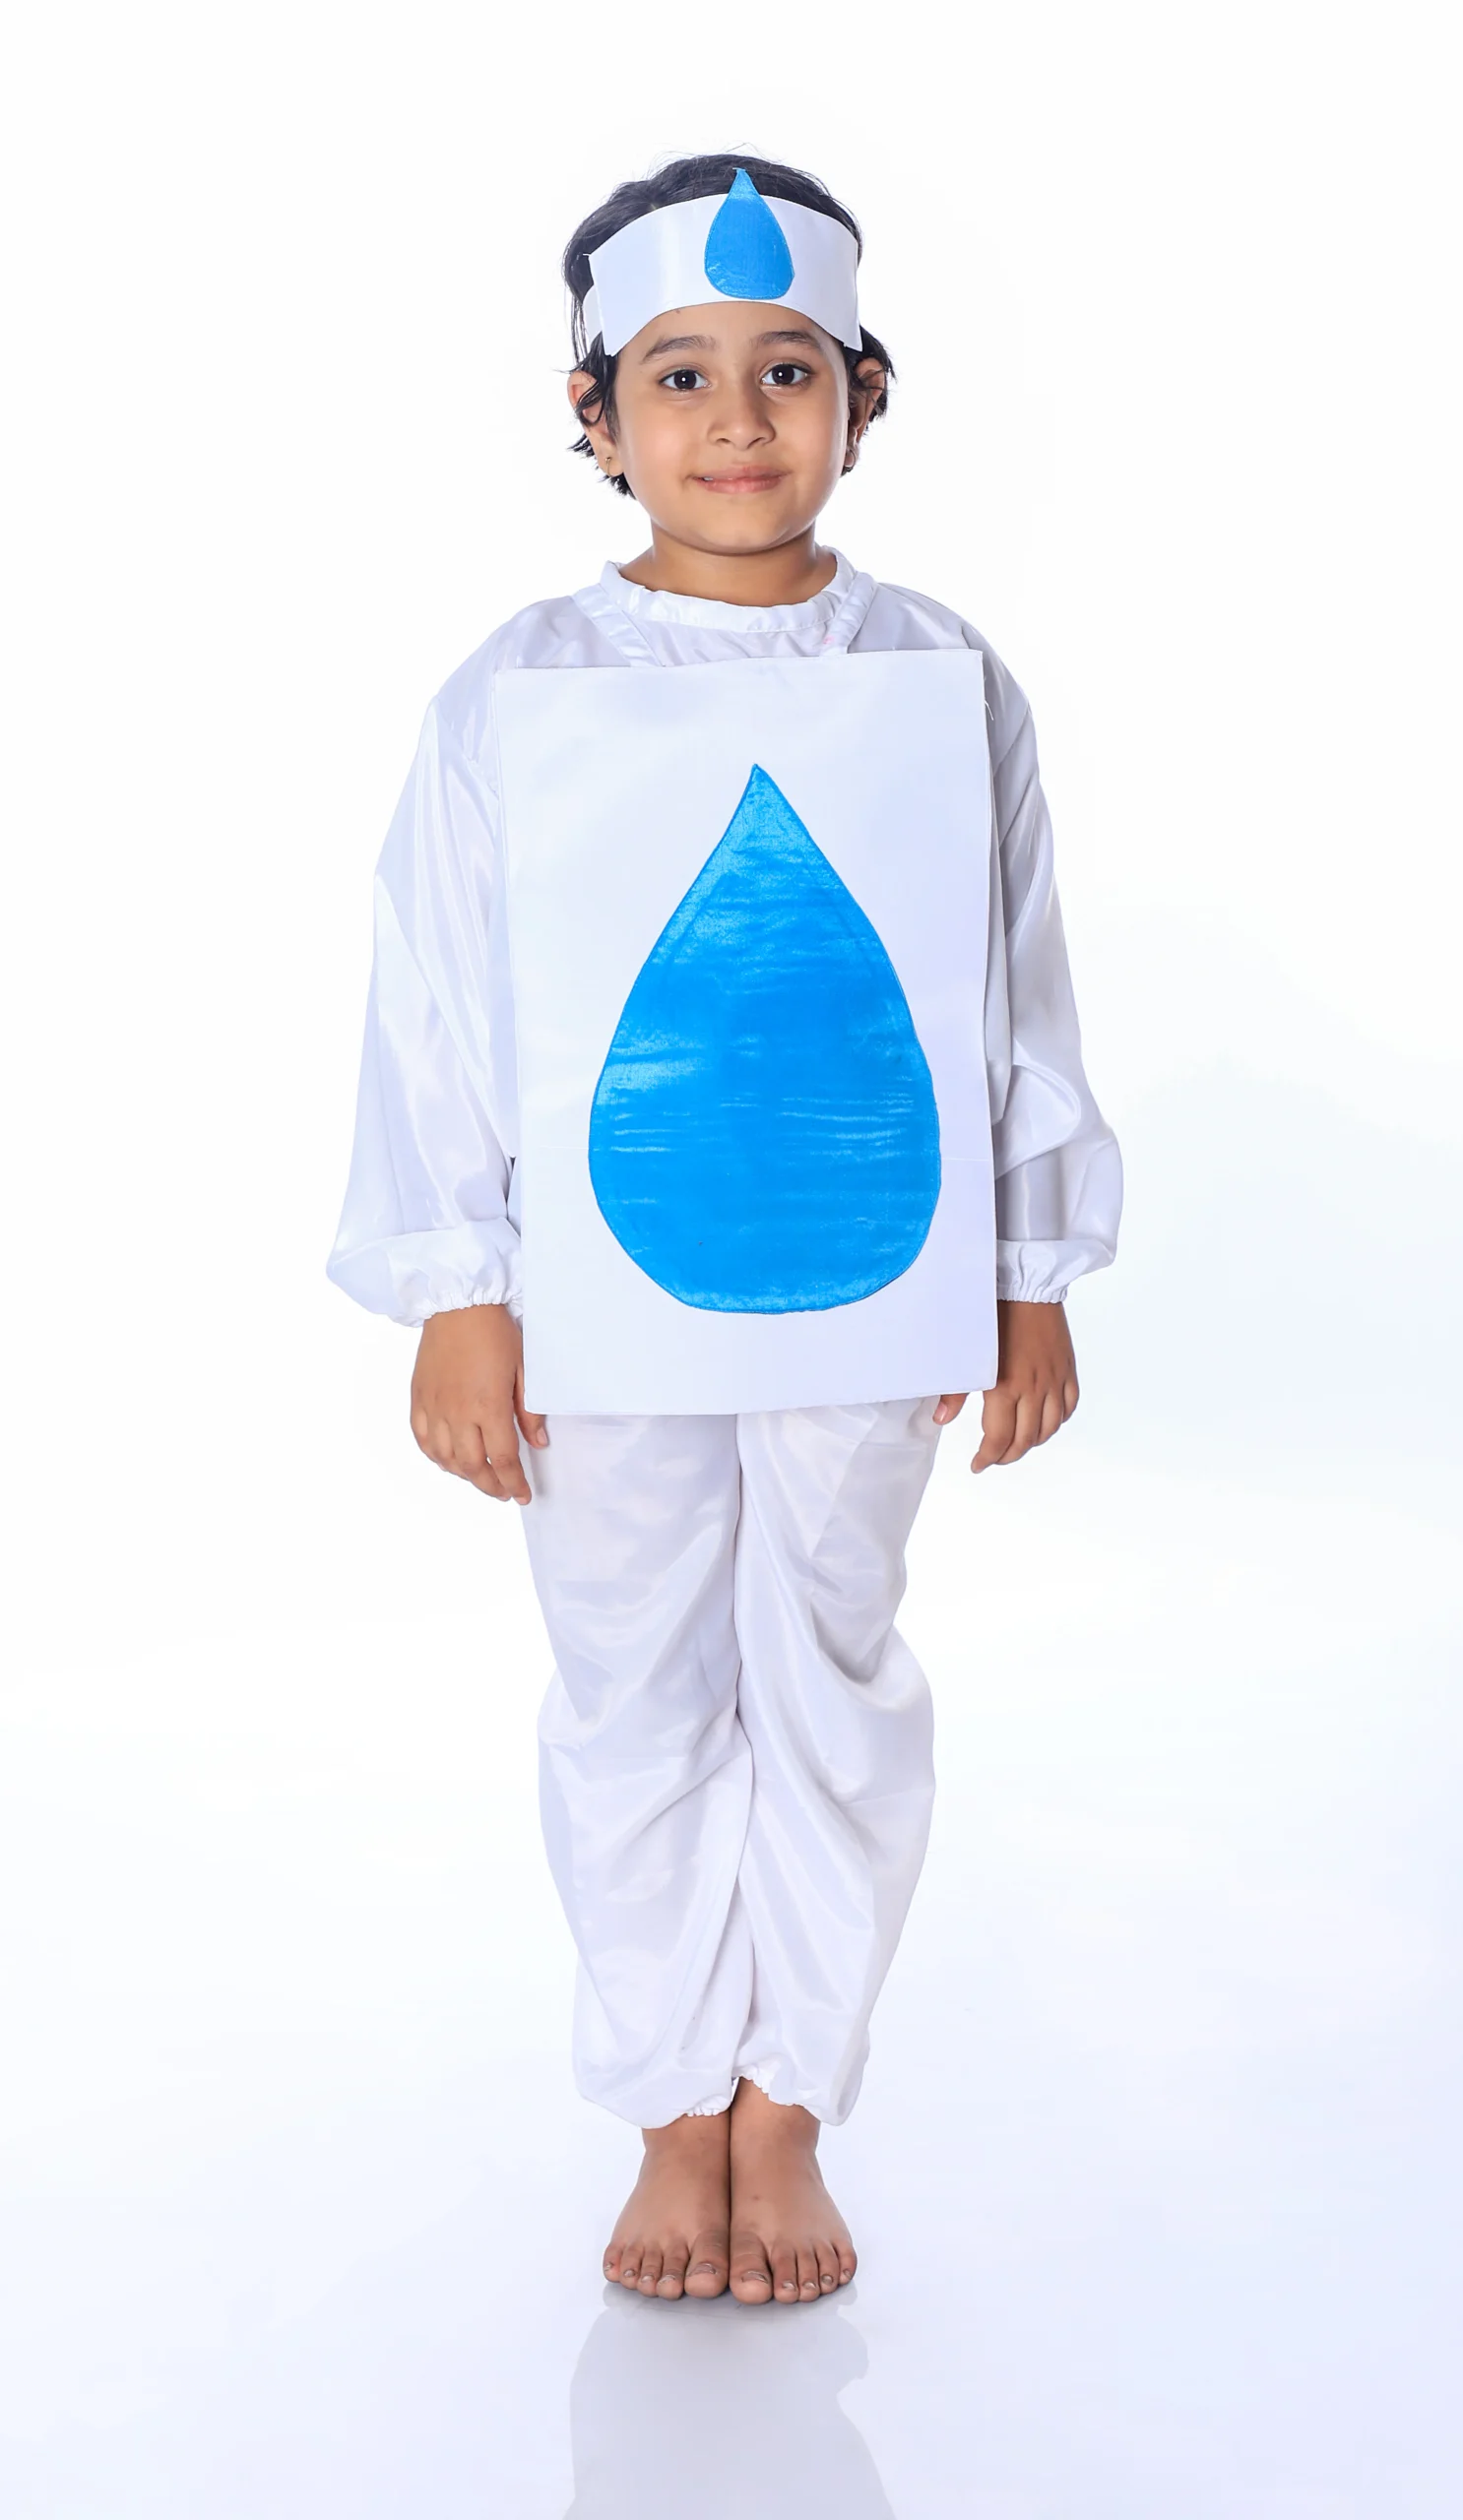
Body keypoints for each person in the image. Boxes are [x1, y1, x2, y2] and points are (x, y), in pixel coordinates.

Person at [328, 154, 1121, 2310]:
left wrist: (1025, 1269)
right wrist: (456, 1289)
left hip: (871, 1269)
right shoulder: (521, 684)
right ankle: (671, 2101)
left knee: (830, 1665)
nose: (738, 417)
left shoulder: (937, 672)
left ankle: (788, 2101)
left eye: (787, 368)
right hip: (602, 1305)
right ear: (594, 416)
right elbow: (442, 993)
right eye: (678, 374)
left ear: (862, 396)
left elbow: (1008, 987)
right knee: (634, 1680)